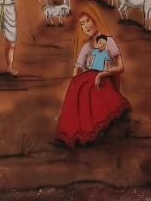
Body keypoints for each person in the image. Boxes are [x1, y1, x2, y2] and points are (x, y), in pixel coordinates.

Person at [56, 9, 131, 147]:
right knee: (79, 85)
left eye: (88, 21)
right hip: (88, 79)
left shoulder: (108, 41)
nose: (86, 26)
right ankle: (75, 132)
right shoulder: (87, 46)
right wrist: (75, 82)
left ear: (96, 20)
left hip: (103, 80)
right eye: (82, 23)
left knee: (88, 86)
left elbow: (121, 67)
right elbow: (77, 67)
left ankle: (93, 129)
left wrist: (101, 74)